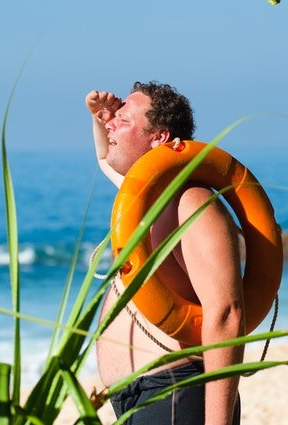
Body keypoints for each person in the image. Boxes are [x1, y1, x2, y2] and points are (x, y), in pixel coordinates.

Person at [86, 81, 244, 425]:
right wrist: (101, 118)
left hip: (176, 390)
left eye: (123, 120)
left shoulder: (190, 203)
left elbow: (226, 314)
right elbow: (104, 158)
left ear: (159, 137)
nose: (111, 126)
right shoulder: (145, 199)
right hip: (138, 398)